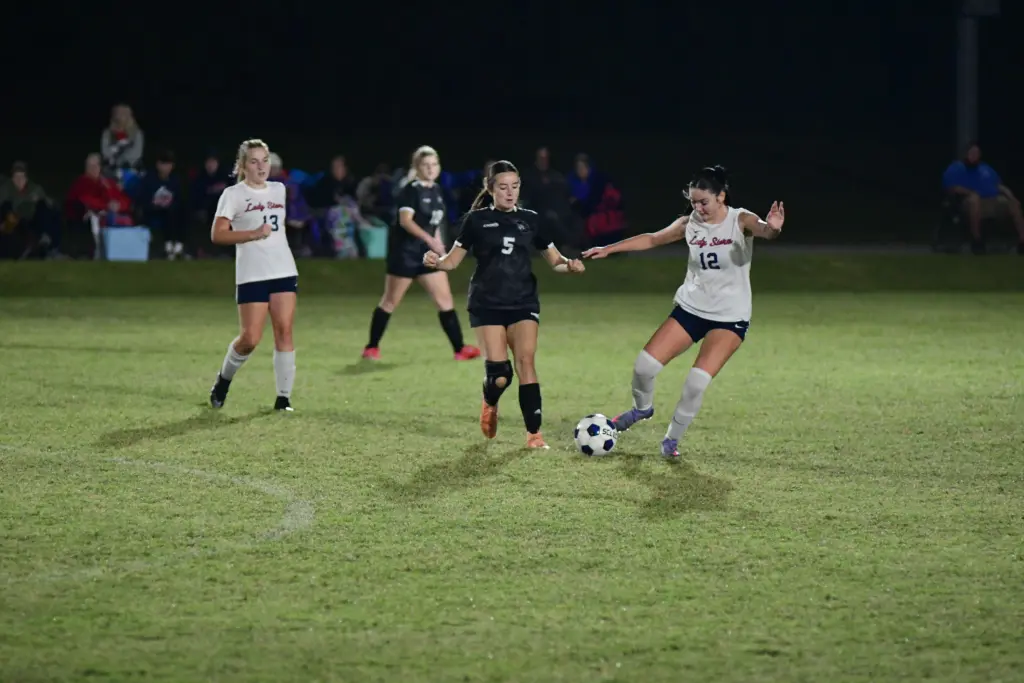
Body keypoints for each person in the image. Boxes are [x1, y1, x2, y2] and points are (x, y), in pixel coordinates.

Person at [582, 165, 784, 458]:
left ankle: (671, 440)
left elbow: (765, 230)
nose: (698, 208)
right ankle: (642, 409)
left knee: (695, 383)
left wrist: (773, 227)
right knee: (643, 367)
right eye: (693, 202)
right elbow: (653, 238)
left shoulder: (740, 220)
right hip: (691, 309)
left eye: (704, 202)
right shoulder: (689, 224)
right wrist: (609, 248)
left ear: (721, 196)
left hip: (729, 318)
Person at [423, 160, 586, 449]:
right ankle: (490, 401)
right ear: (491, 189)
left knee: (526, 361)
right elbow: (452, 262)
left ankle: (534, 435)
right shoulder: (476, 221)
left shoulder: (531, 220)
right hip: (487, 303)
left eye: (515, 186)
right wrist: (435, 261)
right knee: (500, 377)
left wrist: (570, 266)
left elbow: (556, 261)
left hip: (523, 301)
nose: (510, 192)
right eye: (503, 187)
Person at [363, 145, 481, 361]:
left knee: (445, 301)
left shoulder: (436, 190)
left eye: (434, 164)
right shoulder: (410, 190)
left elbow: (434, 224)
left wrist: (439, 245)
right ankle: (371, 347)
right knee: (389, 302)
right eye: (425, 165)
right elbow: (405, 221)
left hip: (427, 256)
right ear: (417, 167)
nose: (430, 169)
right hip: (405, 254)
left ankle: (460, 349)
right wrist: (429, 239)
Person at [207, 139, 299, 412]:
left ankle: (283, 399)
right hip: (252, 273)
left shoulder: (279, 190)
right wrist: (253, 234)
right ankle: (223, 381)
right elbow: (217, 235)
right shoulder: (233, 195)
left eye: (265, 160)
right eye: (254, 161)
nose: (261, 167)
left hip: (283, 269)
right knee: (250, 339)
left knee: (284, 330)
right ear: (243, 166)